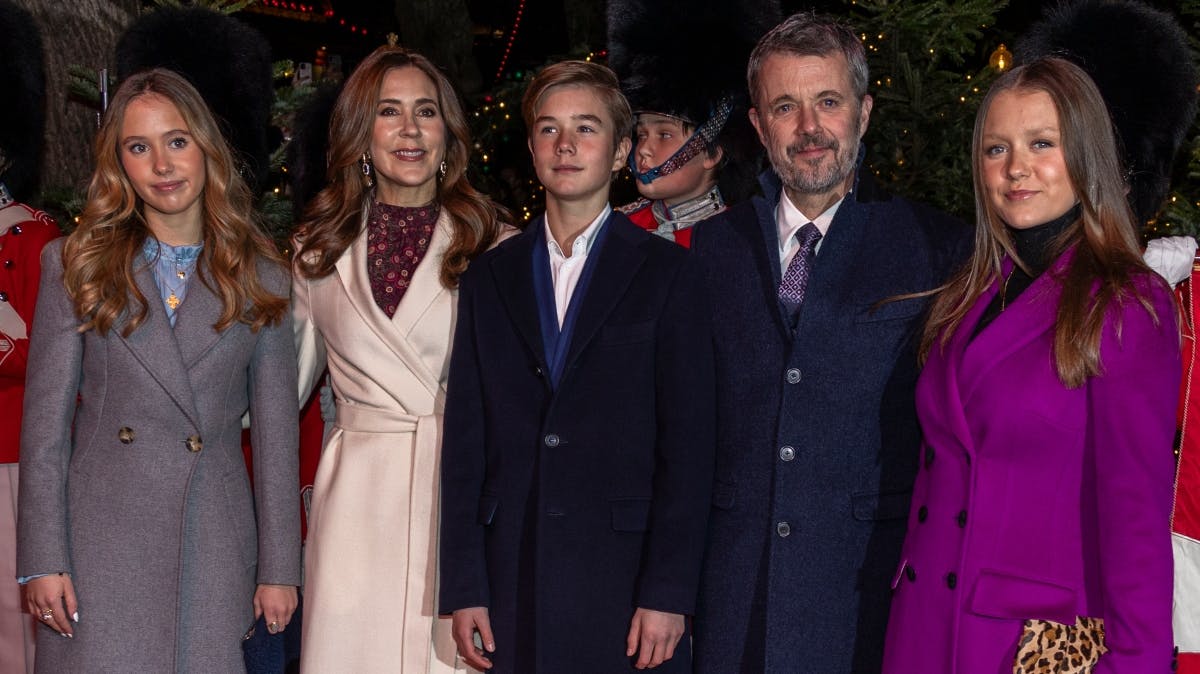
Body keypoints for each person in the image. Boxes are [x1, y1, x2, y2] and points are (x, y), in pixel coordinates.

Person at [687, 12, 970, 672]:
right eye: (785, 106)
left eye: (829, 102)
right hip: (735, 603)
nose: (809, 128)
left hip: (869, 599)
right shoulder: (710, 252)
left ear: (864, 113)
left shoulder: (936, 251)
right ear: (758, 125)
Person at [880, 55, 1179, 673]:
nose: (1016, 168)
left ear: (1086, 156)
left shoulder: (1127, 304)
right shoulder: (969, 293)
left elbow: (1136, 522)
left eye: (1042, 143)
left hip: (1032, 648)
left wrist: (1136, 663)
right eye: (996, 149)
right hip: (924, 628)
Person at [17, 67, 300, 672]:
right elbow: (43, 431)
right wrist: (43, 557)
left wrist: (280, 569)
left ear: (206, 148)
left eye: (177, 141)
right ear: (119, 163)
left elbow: (277, 442)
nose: (162, 164)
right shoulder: (75, 265)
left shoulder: (263, 277)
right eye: (138, 147)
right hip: (98, 542)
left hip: (214, 545)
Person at [438, 60, 715, 673]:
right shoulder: (489, 277)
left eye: (586, 129)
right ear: (533, 147)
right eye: (548, 129)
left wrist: (668, 592)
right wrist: (465, 587)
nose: (565, 145)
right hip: (514, 571)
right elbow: (466, 439)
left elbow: (689, 447)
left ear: (620, 153)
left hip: (625, 583)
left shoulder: (669, 275)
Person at [291, 45, 512, 673]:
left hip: (462, 505)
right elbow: (277, 394)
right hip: (355, 511)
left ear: (449, 133)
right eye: (389, 111)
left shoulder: (495, 244)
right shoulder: (315, 250)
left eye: (427, 111)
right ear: (362, 131)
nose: (410, 130)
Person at [607, 0, 771, 246]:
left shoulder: (743, 240)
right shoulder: (617, 230)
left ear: (711, 152)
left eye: (664, 134)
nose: (643, 150)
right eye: (641, 134)